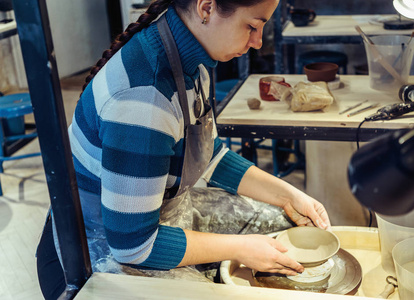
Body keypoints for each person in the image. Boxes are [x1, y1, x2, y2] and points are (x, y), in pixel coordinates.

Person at [36, 0, 331, 299]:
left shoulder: (192, 58)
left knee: (282, 226)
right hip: (98, 249)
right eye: (252, 26)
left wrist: (290, 195)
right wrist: (241, 248)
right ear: (206, 8)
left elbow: (207, 154)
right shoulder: (145, 97)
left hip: (157, 217)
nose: (257, 42)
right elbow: (133, 245)